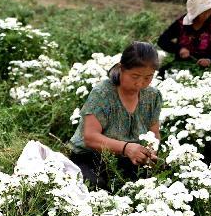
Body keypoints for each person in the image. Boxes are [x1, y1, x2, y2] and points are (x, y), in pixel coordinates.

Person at [69, 42, 162, 190]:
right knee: (94, 188)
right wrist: (126, 148)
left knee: (148, 187)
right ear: (121, 68)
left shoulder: (152, 96)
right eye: (135, 76)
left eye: (148, 77)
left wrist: (150, 153)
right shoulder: (103, 93)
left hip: (128, 159)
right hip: (91, 158)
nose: (140, 83)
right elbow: (90, 137)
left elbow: (154, 132)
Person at [157, 0, 211, 70]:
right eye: (203, 13)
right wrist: (179, 49)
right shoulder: (182, 23)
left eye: (209, 12)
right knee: (162, 74)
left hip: (203, 65)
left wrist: (209, 59)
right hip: (181, 63)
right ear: (196, 11)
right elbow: (162, 40)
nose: (206, 16)